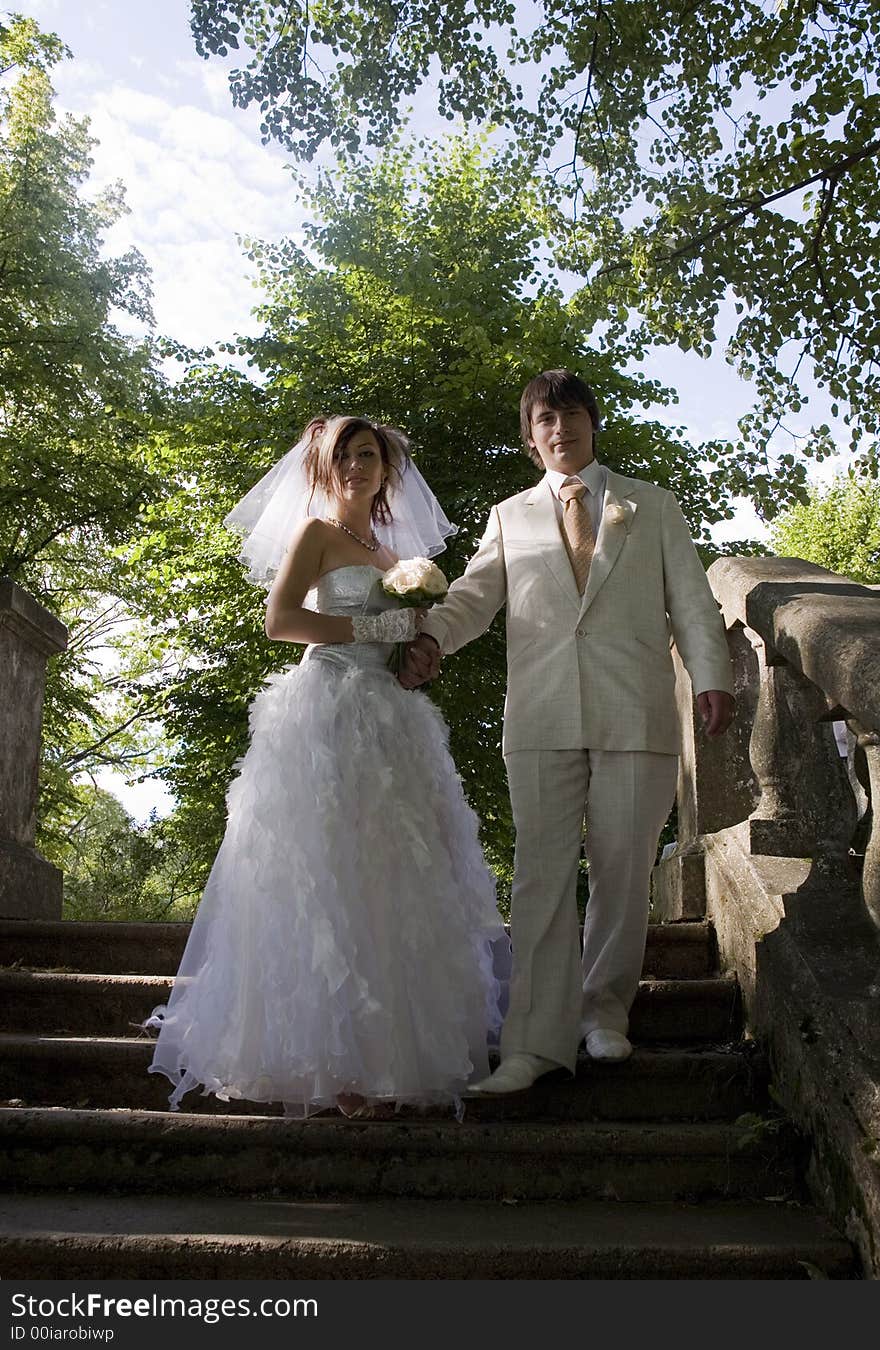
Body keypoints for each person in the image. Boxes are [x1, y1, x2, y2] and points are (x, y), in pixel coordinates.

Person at [147, 414, 505, 1118]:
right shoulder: (314, 535)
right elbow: (280, 621)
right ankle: (334, 1068)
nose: (356, 466)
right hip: (326, 715)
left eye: (368, 455)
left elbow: (402, 636)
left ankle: (388, 1060)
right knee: (329, 876)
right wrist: (376, 629)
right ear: (323, 468)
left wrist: (413, 653)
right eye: (343, 456)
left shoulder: (392, 559)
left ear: (386, 469)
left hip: (392, 723)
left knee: (394, 880)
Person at [402, 370, 735, 1094]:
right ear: (531, 440)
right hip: (541, 716)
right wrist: (425, 640)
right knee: (540, 878)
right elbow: (469, 602)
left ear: (592, 423)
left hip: (637, 712)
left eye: (571, 415)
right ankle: (532, 1044)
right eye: (545, 422)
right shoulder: (508, 517)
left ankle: (603, 1014)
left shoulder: (655, 506)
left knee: (621, 872)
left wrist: (712, 676)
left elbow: (694, 603)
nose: (561, 430)